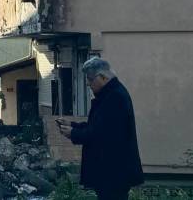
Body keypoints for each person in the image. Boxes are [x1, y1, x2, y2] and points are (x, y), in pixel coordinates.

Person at [57, 57, 144, 200]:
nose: (88, 83)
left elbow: (99, 134)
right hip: (111, 171)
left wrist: (74, 133)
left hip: (113, 171)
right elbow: (97, 127)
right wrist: (72, 125)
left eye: (90, 79)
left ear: (102, 77)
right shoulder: (111, 94)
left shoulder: (114, 97)